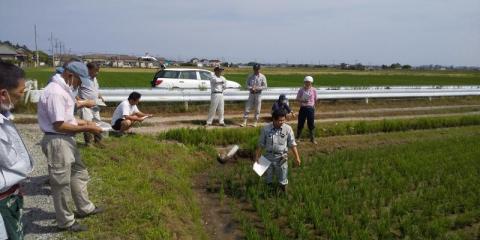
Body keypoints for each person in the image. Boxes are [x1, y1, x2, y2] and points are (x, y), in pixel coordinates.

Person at [37, 61, 104, 232]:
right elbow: (59, 125)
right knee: (61, 183)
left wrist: (84, 121)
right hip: (58, 141)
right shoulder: (55, 93)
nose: (80, 85)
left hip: (66, 140)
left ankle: (85, 207)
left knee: (79, 173)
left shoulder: (63, 90)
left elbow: (67, 119)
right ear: (70, 75)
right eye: (79, 81)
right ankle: (65, 222)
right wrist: (87, 127)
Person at [0, 61, 34, 240]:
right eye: (20, 93)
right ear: (4, 94)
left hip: (10, 194)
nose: (21, 98)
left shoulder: (4, 115)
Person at [256, 109, 301, 192]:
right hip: (268, 156)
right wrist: (257, 157)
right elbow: (261, 144)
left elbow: (292, 144)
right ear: (274, 119)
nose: (282, 122)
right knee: (267, 177)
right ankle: (268, 193)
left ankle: (283, 192)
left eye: (283, 120)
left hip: (281, 157)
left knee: (283, 176)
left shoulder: (288, 129)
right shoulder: (265, 129)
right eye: (280, 120)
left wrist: (297, 158)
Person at [77, 62, 104, 147]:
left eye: (98, 71)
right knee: (87, 123)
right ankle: (89, 143)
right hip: (85, 105)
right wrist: (81, 101)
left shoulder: (94, 79)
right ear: (88, 70)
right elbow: (74, 91)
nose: (97, 73)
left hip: (95, 104)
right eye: (95, 71)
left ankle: (98, 141)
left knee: (97, 122)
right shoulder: (81, 79)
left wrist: (100, 96)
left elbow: (95, 90)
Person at [296, 76, 318, 144]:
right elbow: (297, 98)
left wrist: (314, 107)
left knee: (311, 123)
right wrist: (302, 100)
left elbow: (315, 99)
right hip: (303, 108)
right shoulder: (301, 90)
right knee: (300, 123)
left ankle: (312, 139)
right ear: (304, 82)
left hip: (310, 108)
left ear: (311, 83)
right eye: (306, 82)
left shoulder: (314, 90)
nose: (307, 83)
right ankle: (298, 138)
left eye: (309, 82)